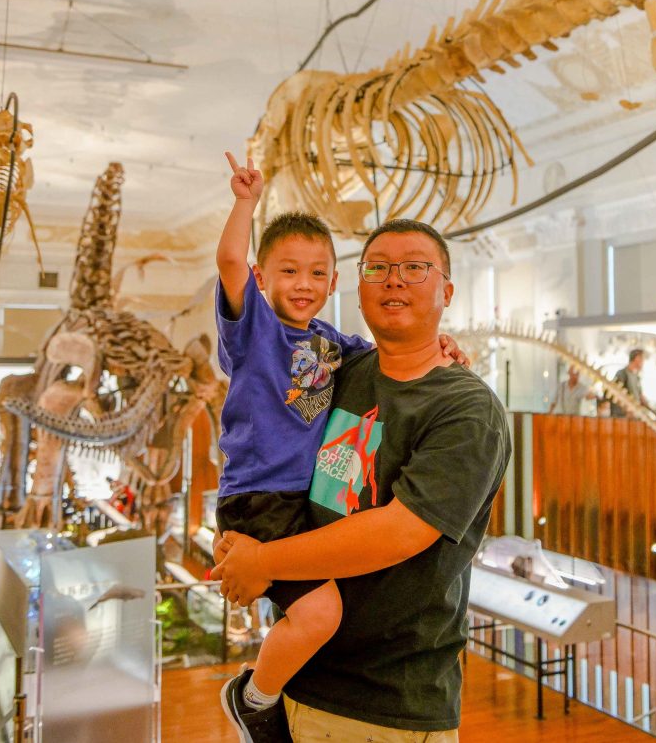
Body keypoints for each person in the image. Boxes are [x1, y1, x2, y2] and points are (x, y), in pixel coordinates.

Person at [215, 218, 511, 742]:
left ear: (446, 290)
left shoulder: (466, 409)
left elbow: (399, 533)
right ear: (355, 287)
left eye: (415, 267)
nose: (394, 280)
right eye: (378, 267)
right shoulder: (342, 368)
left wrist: (261, 562)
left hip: (389, 705)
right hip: (301, 690)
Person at [611, 348, 654, 417]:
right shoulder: (622, 373)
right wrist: (626, 411)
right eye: (642, 359)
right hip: (623, 417)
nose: (643, 362)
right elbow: (615, 394)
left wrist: (652, 410)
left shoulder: (637, 377)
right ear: (637, 358)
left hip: (634, 415)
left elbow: (640, 396)